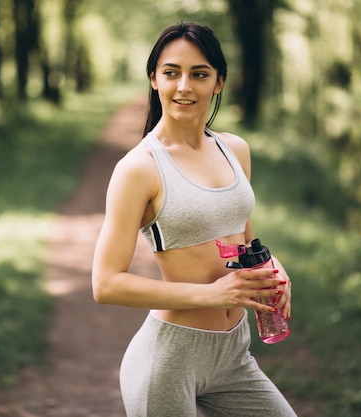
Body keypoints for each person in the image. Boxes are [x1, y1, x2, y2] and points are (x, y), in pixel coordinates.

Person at [91, 22, 297, 417]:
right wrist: (212, 295)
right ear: (154, 79)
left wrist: (274, 268)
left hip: (234, 355)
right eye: (171, 73)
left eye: (199, 74)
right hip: (169, 361)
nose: (184, 86)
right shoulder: (139, 168)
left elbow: (245, 240)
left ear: (219, 82)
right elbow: (105, 283)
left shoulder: (235, 149)